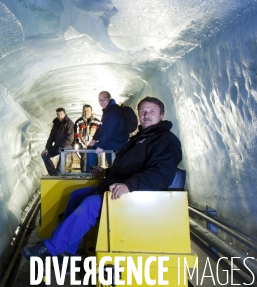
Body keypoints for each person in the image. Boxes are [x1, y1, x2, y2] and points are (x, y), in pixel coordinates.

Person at [22, 96, 182, 259]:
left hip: (139, 195)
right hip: (126, 188)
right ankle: (67, 251)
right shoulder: (140, 138)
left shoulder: (166, 140)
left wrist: (129, 185)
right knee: (77, 195)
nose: (146, 115)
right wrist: (107, 172)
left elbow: (161, 174)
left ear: (162, 115)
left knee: (91, 204)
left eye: (152, 111)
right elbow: (132, 167)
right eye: (143, 111)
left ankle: (50, 248)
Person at [88, 91, 128, 158]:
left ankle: (91, 168)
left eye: (104, 98)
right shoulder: (108, 110)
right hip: (114, 140)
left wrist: (101, 146)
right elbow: (101, 128)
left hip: (118, 142)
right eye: (100, 100)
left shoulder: (113, 111)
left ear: (110, 98)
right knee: (109, 155)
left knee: (91, 148)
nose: (102, 101)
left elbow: (109, 130)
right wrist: (94, 139)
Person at [41, 108, 75, 176]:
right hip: (57, 146)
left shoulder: (69, 123)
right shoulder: (56, 123)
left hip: (66, 147)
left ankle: (58, 173)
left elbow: (70, 139)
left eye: (61, 114)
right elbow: (52, 136)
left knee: (60, 166)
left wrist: (61, 147)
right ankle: (54, 174)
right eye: (58, 115)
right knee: (44, 155)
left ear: (65, 114)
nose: (59, 116)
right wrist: (47, 148)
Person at [74, 104, 101, 172]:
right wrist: (84, 145)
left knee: (94, 160)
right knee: (84, 159)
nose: (86, 112)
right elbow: (77, 135)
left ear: (91, 111)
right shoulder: (78, 122)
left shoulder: (97, 122)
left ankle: (94, 176)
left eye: (88, 111)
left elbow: (101, 134)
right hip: (83, 146)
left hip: (94, 145)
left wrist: (96, 144)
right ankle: (84, 176)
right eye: (84, 111)